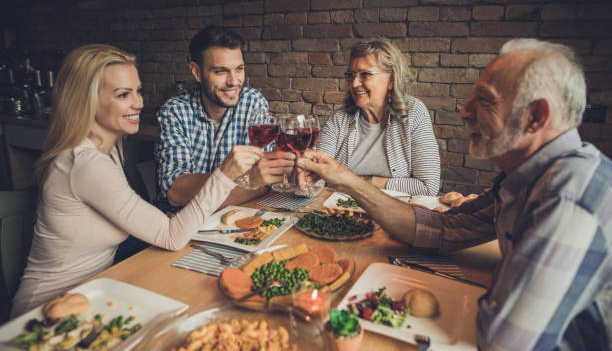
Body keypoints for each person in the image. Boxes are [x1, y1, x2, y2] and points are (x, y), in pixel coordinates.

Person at [298, 38, 612, 350]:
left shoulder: (569, 197)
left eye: (484, 99)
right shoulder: (524, 180)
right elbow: (440, 230)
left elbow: (502, 344)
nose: (464, 111)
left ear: (536, 116)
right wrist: (347, 180)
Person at [11, 44, 262, 317]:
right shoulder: (84, 164)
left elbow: (132, 216)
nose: (139, 103)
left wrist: (156, 218)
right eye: (123, 94)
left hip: (98, 291)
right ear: (86, 100)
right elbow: (172, 236)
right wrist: (224, 174)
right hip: (46, 315)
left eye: (138, 91)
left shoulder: (106, 151)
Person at [155, 26, 294, 212]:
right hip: (178, 224)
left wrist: (253, 181)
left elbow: (261, 183)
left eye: (239, 69)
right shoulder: (175, 110)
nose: (234, 81)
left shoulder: (253, 103)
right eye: (221, 72)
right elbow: (175, 192)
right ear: (196, 72)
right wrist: (246, 180)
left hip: (231, 218)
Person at [317, 38, 439, 196]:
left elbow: (428, 187)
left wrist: (357, 182)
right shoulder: (339, 119)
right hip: (340, 211)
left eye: (365, 74)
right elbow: (318, 175)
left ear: (391, 79)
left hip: (395, 215)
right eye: (351, 75)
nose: (354, 83)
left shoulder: (414, 112)